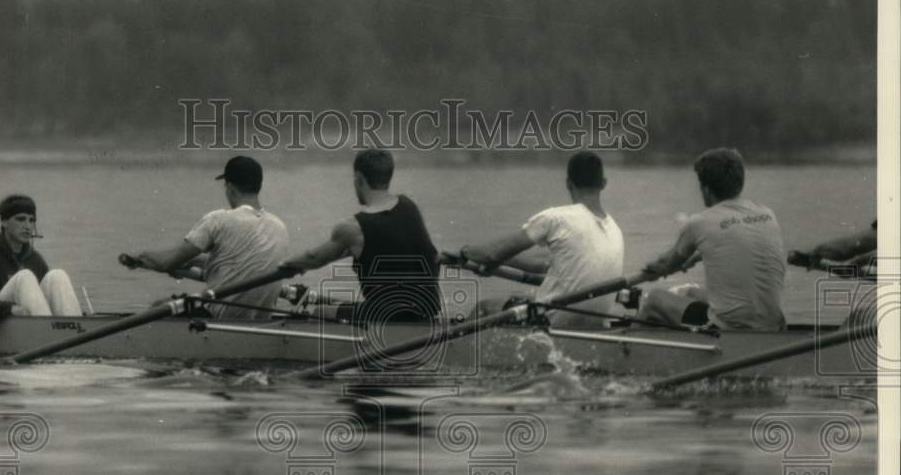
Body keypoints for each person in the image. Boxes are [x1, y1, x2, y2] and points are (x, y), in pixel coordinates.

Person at [459, 150, 625, 328]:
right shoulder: (615, 229)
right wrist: (500, 261)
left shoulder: (556, 218)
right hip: (595, 322)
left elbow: (490, 255)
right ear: (603, 184)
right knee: (527, 299)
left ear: (568, 183)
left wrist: (464, 253)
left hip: (551, 321)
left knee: (484, 307)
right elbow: (545, 264)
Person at [280, 148, 441, 324]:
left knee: (320, 312)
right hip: (427, 308)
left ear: (359, 178)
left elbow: (314, 257)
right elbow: (388, 244)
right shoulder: (409, 206)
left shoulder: (352, 227)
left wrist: (288, 264)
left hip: (386, 315)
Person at [126, 156, 289, 320]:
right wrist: (193, 261)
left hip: (221, 317)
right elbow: (237, 264)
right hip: (261, 319)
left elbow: (166, 262)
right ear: (258, 186)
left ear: (230, 187)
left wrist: (141, 257)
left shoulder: (218, 220)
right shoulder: (279, 226)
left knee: (159, 307)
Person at [638, 148, 786, 330]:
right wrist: (695, 256)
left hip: (729, 331)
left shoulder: (699, 223)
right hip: (774, 324)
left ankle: (632, 349)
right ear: (740, 183)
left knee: (654, 299)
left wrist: (651, 270)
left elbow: (664, 264)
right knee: (691, 293)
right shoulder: (767, 214)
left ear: (706, 189)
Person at [0, 194, 82, 325]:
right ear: (4, 222)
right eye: (21, 219)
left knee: (57, 276)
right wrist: (10, 309)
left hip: (25, 327)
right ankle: (48, 333)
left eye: (31, 220)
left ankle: (76, 329)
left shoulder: (35, 259)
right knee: (25, 276)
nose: (28, 226)